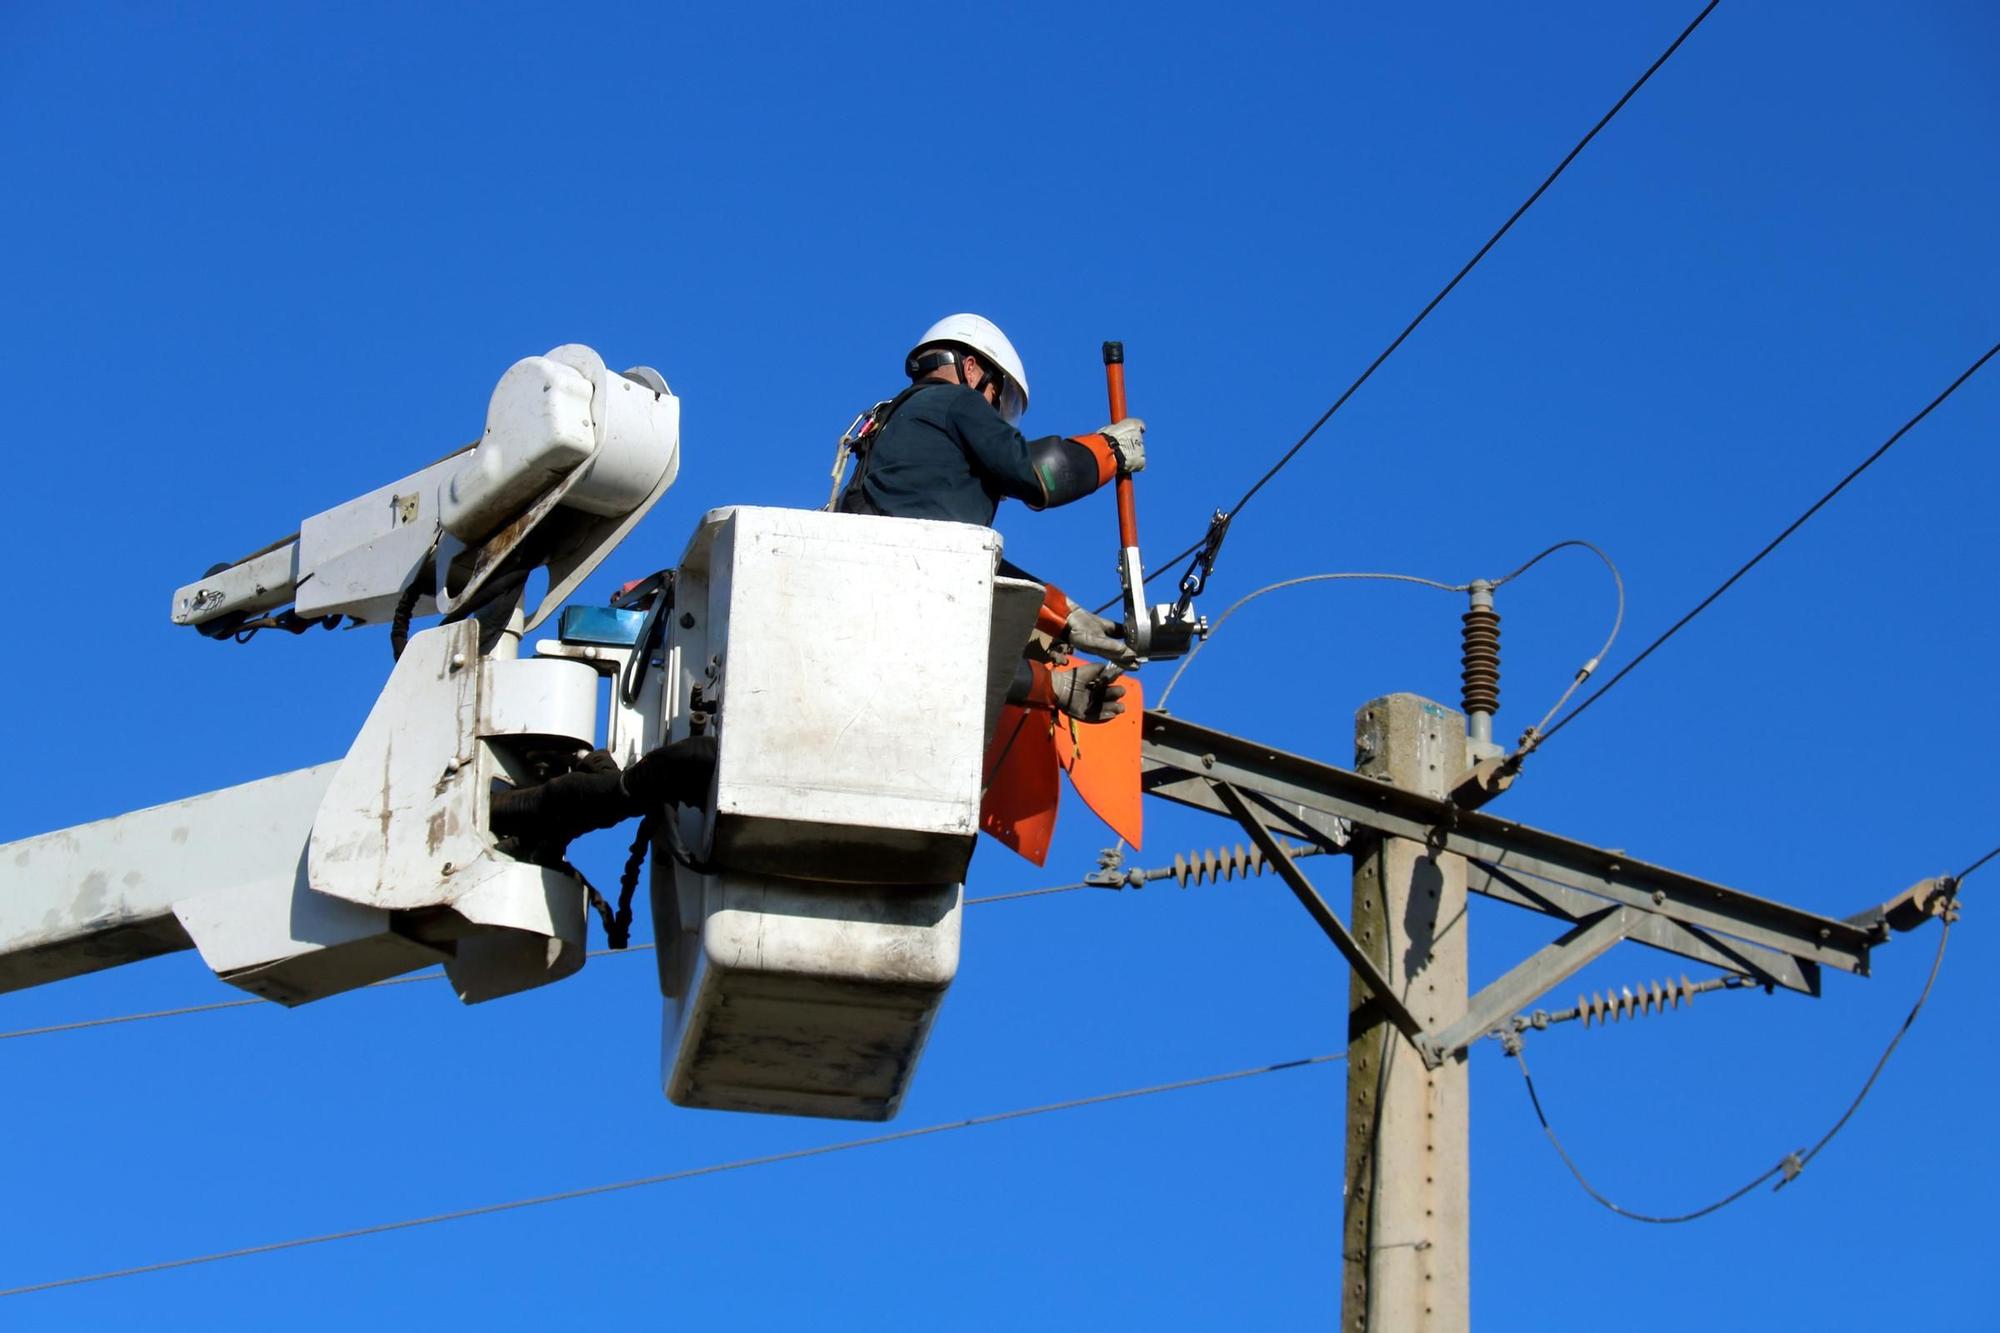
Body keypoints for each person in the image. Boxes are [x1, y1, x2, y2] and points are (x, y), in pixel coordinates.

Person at [837, 314, 1145, 722]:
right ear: (970, 368)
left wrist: (1065, 629)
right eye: (999, 400)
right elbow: (1037, 474)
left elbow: (967, 586)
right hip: (899, 606)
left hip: (871, 624)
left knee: (952, 647)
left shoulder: (896, 443)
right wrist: (1109, 451)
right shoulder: (954, 401)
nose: (996, 421)